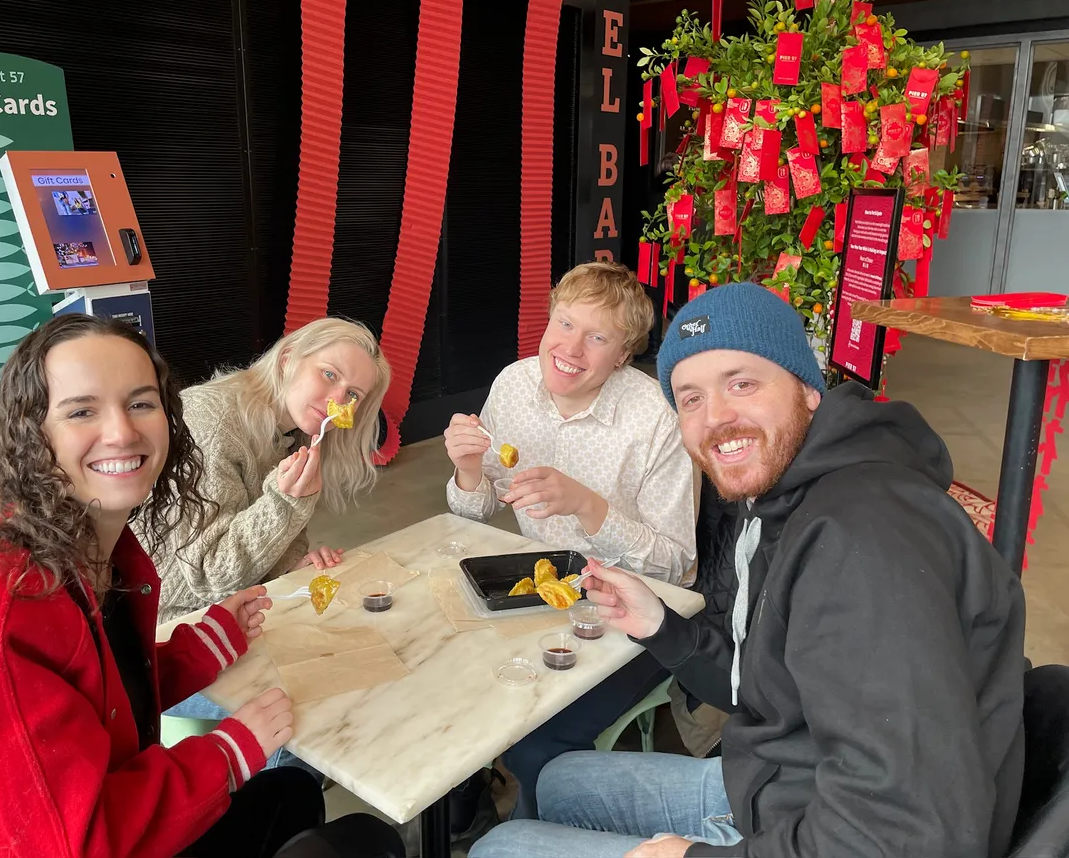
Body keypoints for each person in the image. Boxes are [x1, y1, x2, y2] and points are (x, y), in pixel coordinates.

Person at [471, 281, 1027, 858]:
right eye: (691, 398)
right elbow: (759, 683)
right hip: (785, 782)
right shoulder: (776, 499)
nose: (718, 419)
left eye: (742, 383)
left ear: (808, 390)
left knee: (500, 848)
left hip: (822, 821)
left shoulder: (866, 541)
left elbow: (910, 832)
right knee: (561, 780)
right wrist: (663, 625)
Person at [0, 314, 402, 858]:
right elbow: (68, 843)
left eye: (141, 403)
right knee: (367, 839)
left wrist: (205, 646)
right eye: (82, 410)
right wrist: (226, 753)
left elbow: (100, 689)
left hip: (113, 802)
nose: (122, 432)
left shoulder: (102, 548)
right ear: (33, 433)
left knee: (290, 795)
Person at [444, 261, 697, 820]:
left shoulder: (656, 418)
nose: (571, 348)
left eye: (597, 337)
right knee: (445, 674)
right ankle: (464, 802)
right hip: (541, 585)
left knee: (537, 748)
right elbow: (477, 509)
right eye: (564, 324)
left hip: (637, 608)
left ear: (624, 355)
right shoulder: (512, 385)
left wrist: (589, 507)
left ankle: (537, 834)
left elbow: (679, 568)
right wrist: (467, 471)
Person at [149, 317, 391, 626]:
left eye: (353, 395)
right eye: (329, 374)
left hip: (237, 609)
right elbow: (210, 574)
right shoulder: (212, 421)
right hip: (167, 626)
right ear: (288, 359)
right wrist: (285, 502)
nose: (337, 402)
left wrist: (291, 564)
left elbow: (272, 540)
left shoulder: (297, 432)